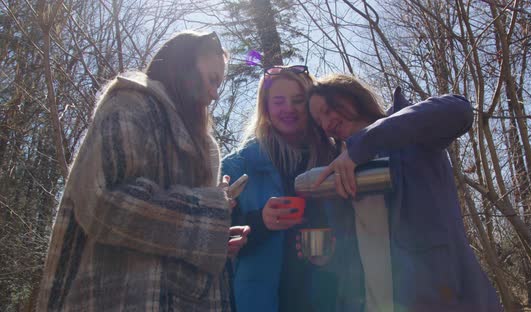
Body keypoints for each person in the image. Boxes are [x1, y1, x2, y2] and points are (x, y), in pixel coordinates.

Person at [36, 31, 250, 312]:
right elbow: (104, 199)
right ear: (183, 66)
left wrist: (215, 238)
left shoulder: (201, 143)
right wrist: (209, 215)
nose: (215, 93)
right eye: (212, 79)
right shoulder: (130, 105)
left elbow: (177, 236)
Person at [308, 74, 502, 312]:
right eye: (319, 121)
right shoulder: (338, 172)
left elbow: (460, 110)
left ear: (351, 94)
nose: (326, 124)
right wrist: (326, 258)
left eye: (328, 110)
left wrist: (364, 144)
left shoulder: (410, 132)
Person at [221, 66, 359, 312]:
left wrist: (336, 252)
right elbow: (214, 235)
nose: (289, 109)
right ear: (266, 108)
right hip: (259, 300)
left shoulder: (337, 158)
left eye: (298, 100)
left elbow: (359, 227)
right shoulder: (237, 165)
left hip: (329, 297)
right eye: (278, 101)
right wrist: (260, 221)